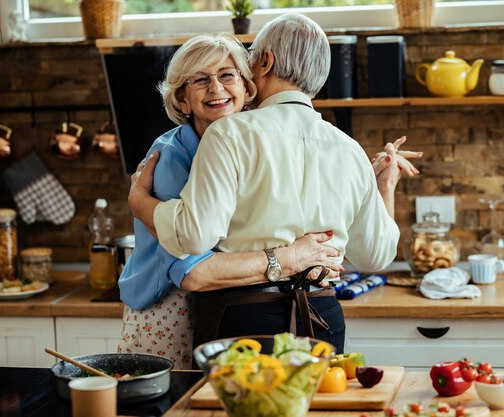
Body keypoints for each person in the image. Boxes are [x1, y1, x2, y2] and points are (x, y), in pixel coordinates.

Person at [129, 14, 422, 354]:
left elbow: (195, 236)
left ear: (265, 61)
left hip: (245, 318)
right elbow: (376, 255)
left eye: (251, 56)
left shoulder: (229, 134)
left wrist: (140, 203)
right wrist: (385, 186)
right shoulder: (349, 149)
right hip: (323, 316)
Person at [118, 34, 343, 369]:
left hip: (226, 297)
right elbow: (192, 270)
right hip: (170, 307)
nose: (216, 88)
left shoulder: (248, 143)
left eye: (227, 75)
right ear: (182, 100)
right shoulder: (172, 159)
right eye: (200, 80)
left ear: (247, 87)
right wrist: (291, 257)